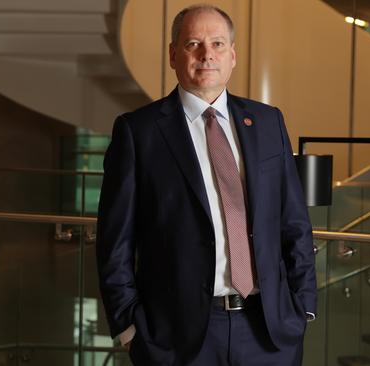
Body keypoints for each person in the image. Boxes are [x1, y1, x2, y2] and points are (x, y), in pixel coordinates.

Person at [97, 4, 316, 365]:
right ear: (173, 55)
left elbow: (294, 222)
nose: (206, 55)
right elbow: (114, 242)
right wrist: (129, 328)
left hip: (270, 331)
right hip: (177, 337)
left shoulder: (267, 121)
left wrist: (303, 306)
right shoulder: (139, 132)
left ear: (232, 55)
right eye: (192, 44)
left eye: (217, 44)